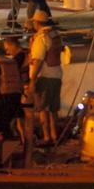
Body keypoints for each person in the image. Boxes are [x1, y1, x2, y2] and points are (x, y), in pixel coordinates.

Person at [27, 9, 64, 145]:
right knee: (53, 109)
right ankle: (55, 136)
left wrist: (32, 79)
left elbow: (38, 60)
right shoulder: (55, 35)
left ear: (37, 23)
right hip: (57, 74)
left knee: (43, 108)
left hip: (45, 76)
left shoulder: (41, 38)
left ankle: (47, 136)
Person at [2, 35, 29, 144]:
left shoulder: (19, 57)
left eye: (7, 48)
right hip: (21, 89)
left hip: (23, 90)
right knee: (19, 119)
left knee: (20, 118)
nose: (7, 51)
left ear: (13, 45)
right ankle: (23, 140)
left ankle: (25, 140)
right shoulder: (21, 55)